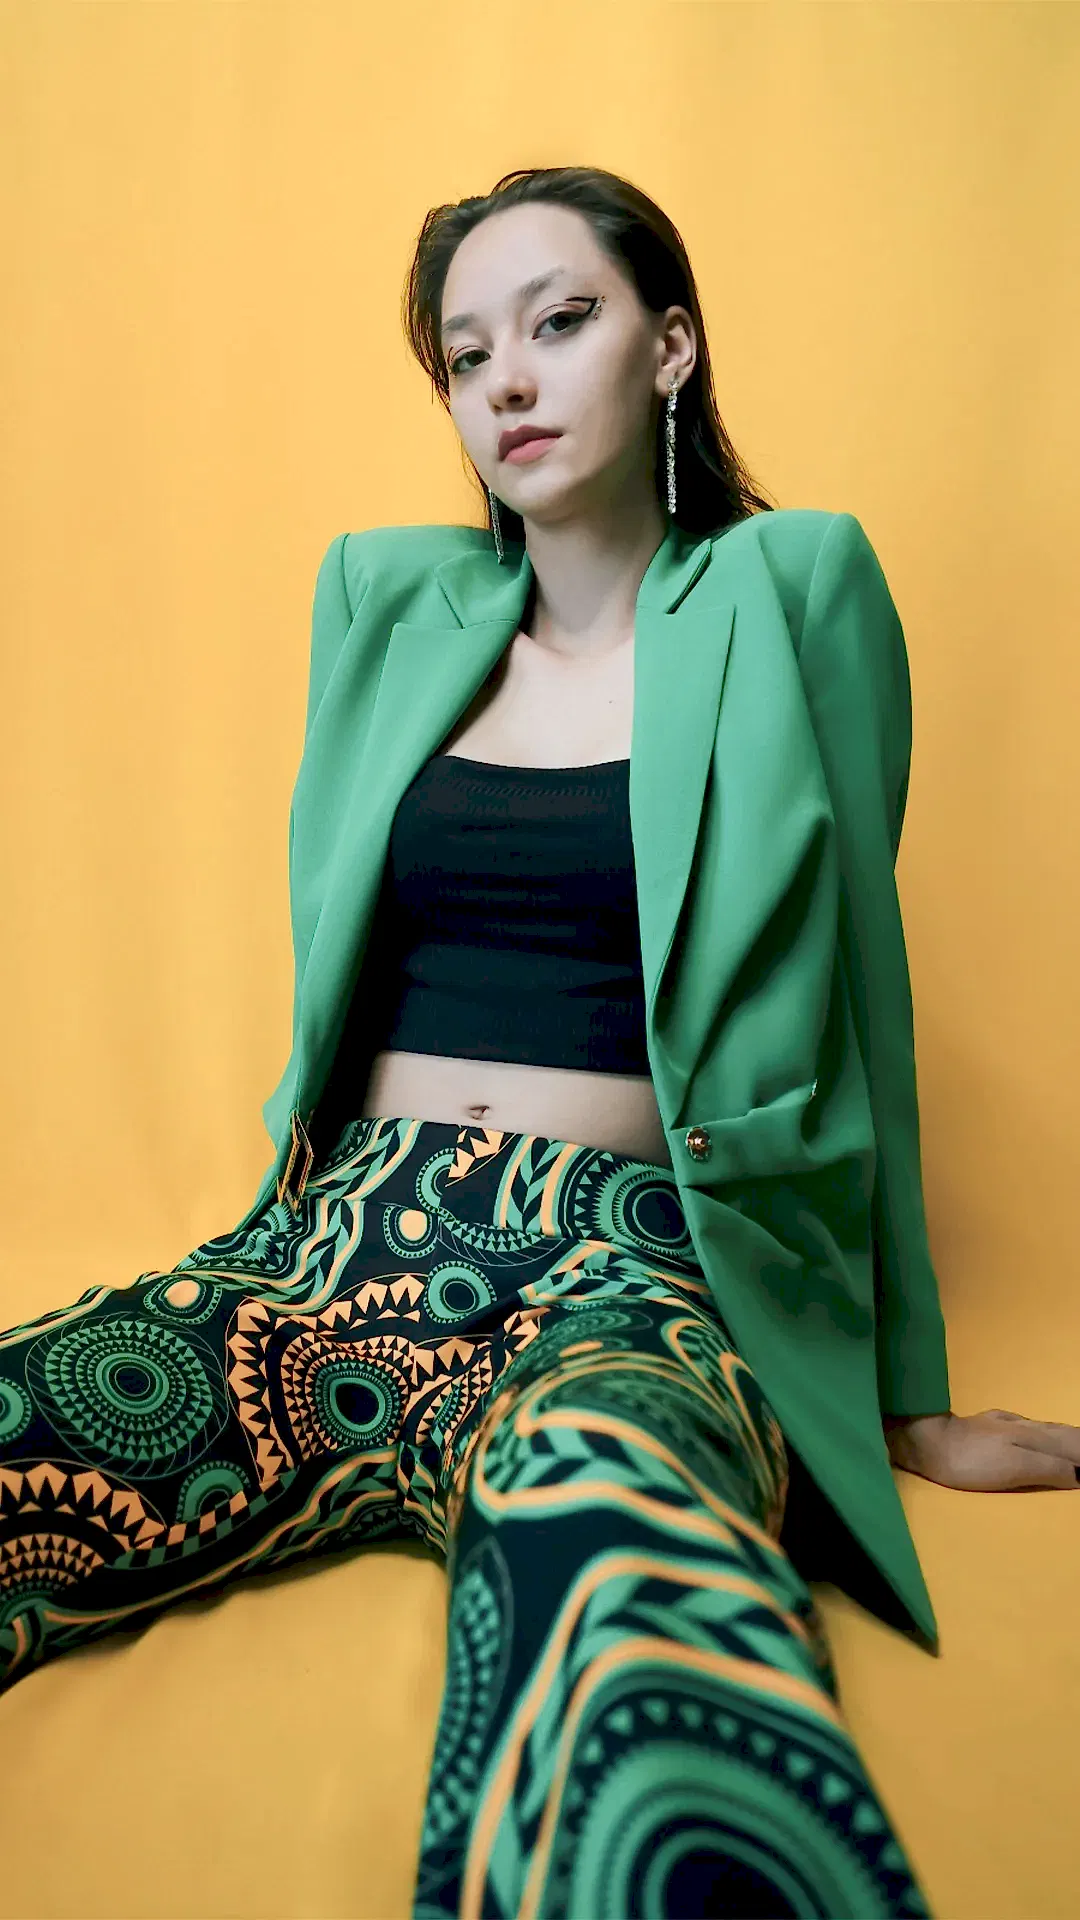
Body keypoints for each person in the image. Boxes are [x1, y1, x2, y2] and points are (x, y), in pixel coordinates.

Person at [2, 164, 1078, 1920]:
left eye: (560, 322)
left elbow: (867, 989)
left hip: (629, 1275)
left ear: (671, 347)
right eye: (465, 352)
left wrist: (908, 1401)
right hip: (333, 1252)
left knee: (642, 1655)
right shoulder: (384, 603)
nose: (506, 377)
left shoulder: (792, 591)